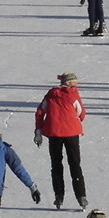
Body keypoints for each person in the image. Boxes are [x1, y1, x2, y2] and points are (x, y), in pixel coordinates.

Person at [35, 72, 88, 209]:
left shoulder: (51, 94)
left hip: (54, 133)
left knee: (56, 164)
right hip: (71, 132)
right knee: (75, 164)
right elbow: (81, 113)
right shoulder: (72, 94)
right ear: (70, 83)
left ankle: (59, 195)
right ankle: (81, 196)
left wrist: (38, 130)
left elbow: (40, 111)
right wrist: (72, 120)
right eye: (74, 81)